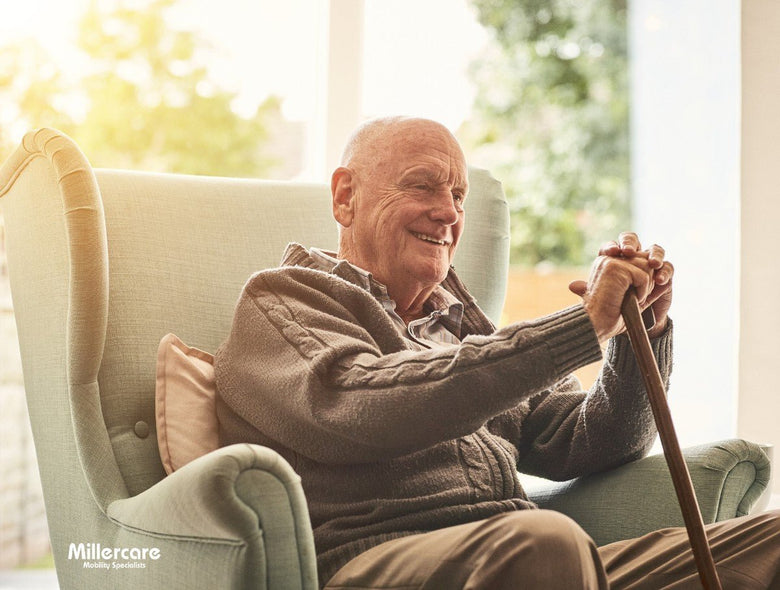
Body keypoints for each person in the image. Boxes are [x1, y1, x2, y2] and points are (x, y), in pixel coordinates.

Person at [214, 116, 779, 589]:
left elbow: (592, 441)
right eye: (422, 186)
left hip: (537, 560)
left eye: (457, 195)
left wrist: (638, 337)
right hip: (382, 564)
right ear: (345, 195)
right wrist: (579, 325)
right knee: (544, 542)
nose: (450, 213)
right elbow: (365, 406)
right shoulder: (286, 298)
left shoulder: (467, 329)